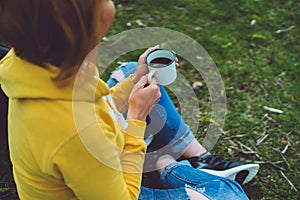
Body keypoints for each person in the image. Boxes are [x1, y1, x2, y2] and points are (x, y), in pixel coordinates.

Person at [0, 0, 257, 199]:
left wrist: (136, 79)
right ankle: (167, 168)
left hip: (92, 161)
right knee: (228, 194)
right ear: (80, 25)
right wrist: (136, 119)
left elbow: (97, 107)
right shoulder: (75, 131)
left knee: (133, 70)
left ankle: (198, 158)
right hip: (104, 187)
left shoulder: (37, 60)